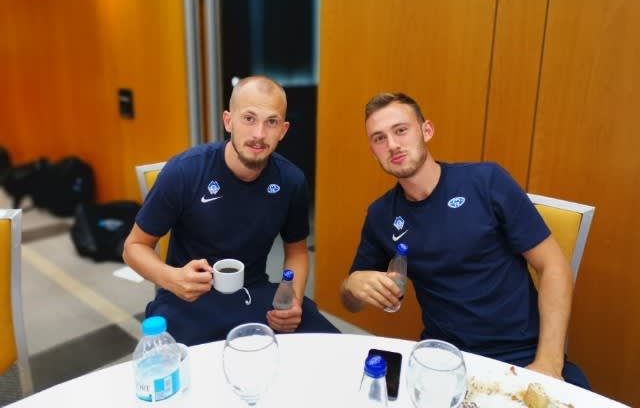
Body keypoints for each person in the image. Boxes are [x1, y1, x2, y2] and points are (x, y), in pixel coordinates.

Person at [340, 92, 590, 389]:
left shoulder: (486, 181)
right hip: (444, 360)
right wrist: (352, 284)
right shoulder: (381, 215)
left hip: (522, 353)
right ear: (373, 150)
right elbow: (350, 302)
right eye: (379, 138)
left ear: (426, 130)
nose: (392, 144)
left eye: (401, 130)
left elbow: (553, 266)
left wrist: (548, 361)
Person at [123, 75, 338, 345]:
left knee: (333, 349)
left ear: (283, 130)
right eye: (249, 118)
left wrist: (290, 299)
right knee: (185, 367)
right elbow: (133, 247)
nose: (259, 134)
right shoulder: (185, 170)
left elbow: (297, 252)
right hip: (189, 298)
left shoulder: (291, 181)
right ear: (228, 121)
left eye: (271, 122)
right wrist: (172, 278)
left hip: (255, 292)